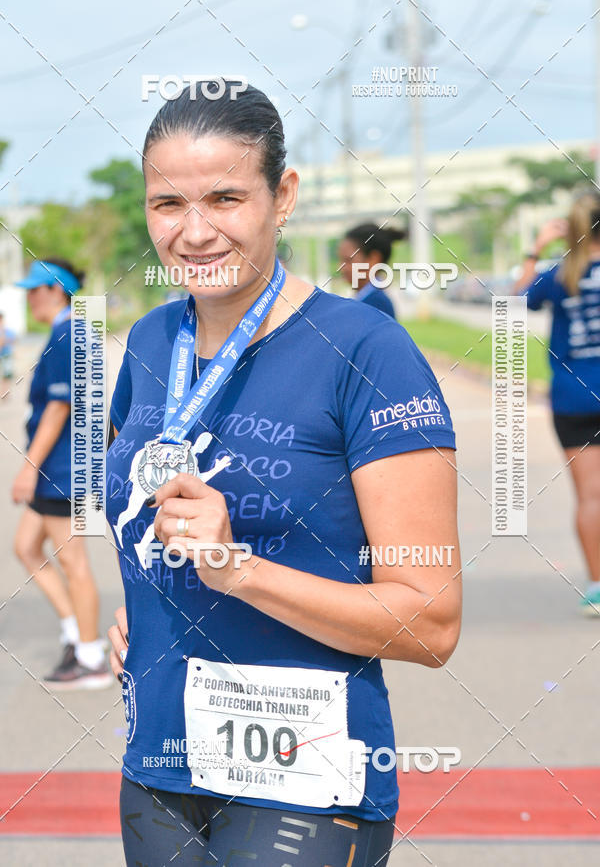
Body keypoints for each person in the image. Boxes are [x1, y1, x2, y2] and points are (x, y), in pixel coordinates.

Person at [106, 81, 461, 866]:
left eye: (226, 198)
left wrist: (240, 573)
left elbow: (430, 623)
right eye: (168, 205)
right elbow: (140, 501)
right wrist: (143, 599)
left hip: (306, 770)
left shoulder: (367, 351)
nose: (194, 233)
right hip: (161, 756)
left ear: (283, 195)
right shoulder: (145, 343)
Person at [12, 258, 111, 688]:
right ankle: (76, 633)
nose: (29, 297)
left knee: (73, 563)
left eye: (35, 289)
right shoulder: (75, 331)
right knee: (27, 546)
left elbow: (59, 406)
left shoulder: (68, 334)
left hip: (62, 469)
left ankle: (91, 658)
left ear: (56, 291)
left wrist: (28, 468)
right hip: (73, 465)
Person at [515, 193, 600, 616]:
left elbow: (512, 303)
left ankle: (598, 588)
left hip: (574, 398)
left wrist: (537, 247)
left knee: (590, 496)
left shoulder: (561, 273)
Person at [338, 223, 407, 318]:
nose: (341, 267)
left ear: (373, 259)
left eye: (348, 260)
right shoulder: (367, 299)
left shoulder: (376, 304)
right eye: (340, 260)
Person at [0, 312, 17, 400]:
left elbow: (13, 340)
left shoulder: (7, 331)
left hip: (6, 355)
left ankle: (5, 393)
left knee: (6, 376)